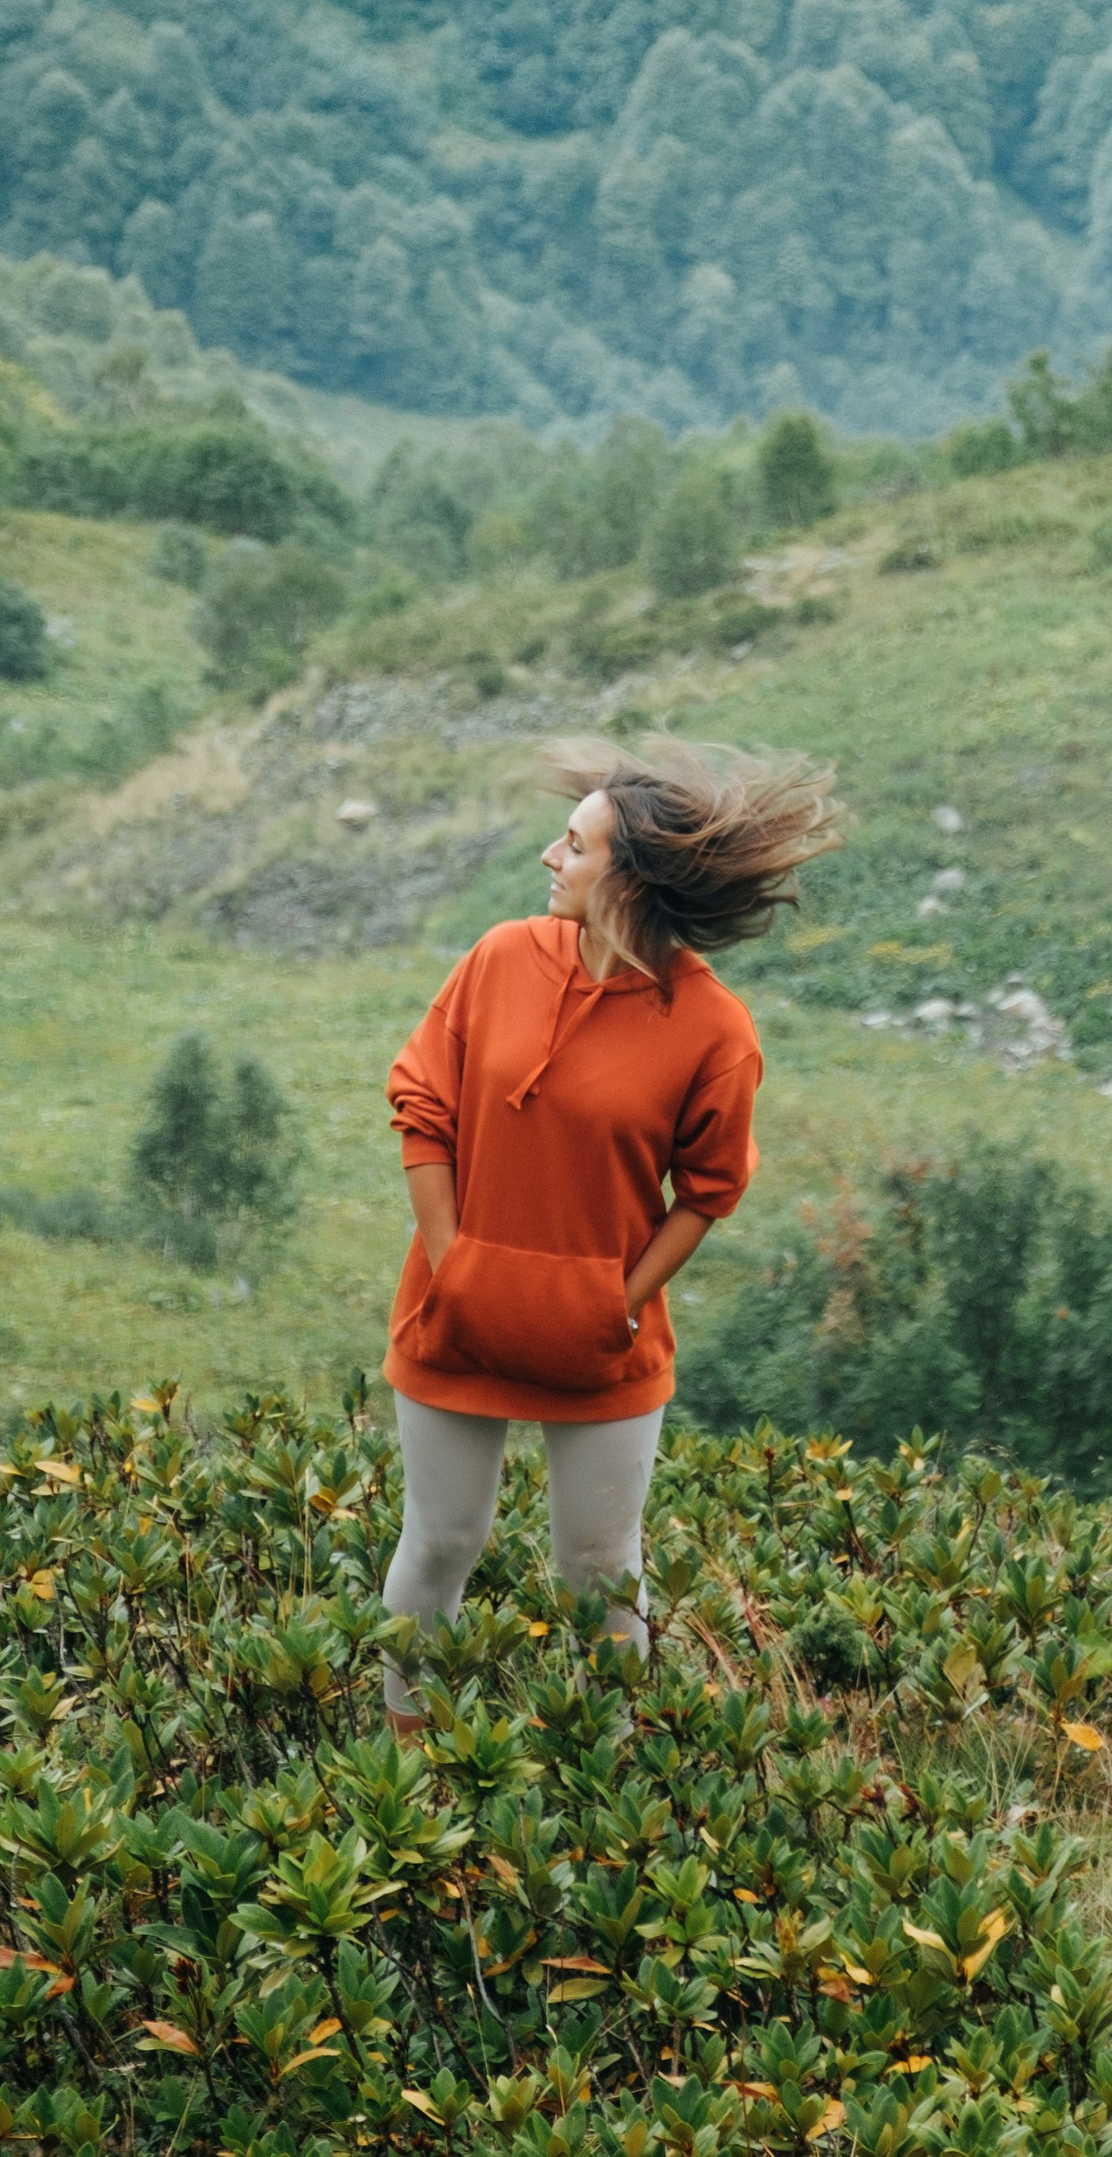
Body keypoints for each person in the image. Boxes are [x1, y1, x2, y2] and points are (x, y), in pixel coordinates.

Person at [377, 731, 844, 1726]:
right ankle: (401, 1769)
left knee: (599, 1569)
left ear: (630, 880)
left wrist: (616, 1301)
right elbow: (424, 1106)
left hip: (604, 1345)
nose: (552, 857)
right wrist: (454, 1263)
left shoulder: (714, 1031)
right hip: (452, 1319)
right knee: (441, 1543)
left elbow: (710, 1190)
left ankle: (612, 1782)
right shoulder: (501, 957)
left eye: (576, 847)